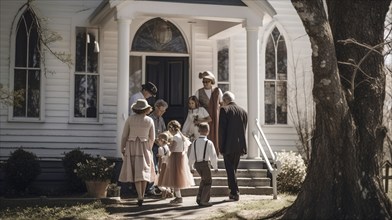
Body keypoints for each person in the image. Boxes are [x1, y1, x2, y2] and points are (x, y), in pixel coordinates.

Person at [118, 99, 156, 206]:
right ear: (146, 109)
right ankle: (141, 195)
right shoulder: (149, 120)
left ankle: (140, 195)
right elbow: (152, 137)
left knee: (136, 170)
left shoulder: (130, 119)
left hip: (132, 146)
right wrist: (149, 148)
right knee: (144, 170)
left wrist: (122, 147)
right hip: (145, 146)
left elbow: (125, 135)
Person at [218, 91, 247, 201]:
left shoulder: (224, 110)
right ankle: (233, 191)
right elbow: (244, 129)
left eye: (222, 102)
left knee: (230, 169)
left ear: (225, 100)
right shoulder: (243, 112)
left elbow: (222, 131)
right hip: (240, 145)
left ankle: (235, 192)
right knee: (233, 169)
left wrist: (220, 146)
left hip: (228, 145)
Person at [161, 120, 195, 204]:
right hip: (180, 156)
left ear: (171, 128)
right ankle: (178, 196)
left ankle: (179, 197)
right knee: (176, 177)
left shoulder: (176, 137)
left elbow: (172, 149)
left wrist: (166, 144)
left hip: (175, 157)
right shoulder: (181, 136)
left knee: (175, 178)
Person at [188, 122, 218, 207]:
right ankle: (204, 200)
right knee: (208, 182)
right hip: (205, 164)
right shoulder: (209, 142)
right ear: (208, 131)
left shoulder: (195, 142)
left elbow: (192, 155)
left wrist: (191, 166)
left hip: (197, 164)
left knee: (204, 180)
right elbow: (213, 156)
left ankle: (199, 198)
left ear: (198, 131)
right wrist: (215, 166)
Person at [195, 71, 223, 155]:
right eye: (203, 81)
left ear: (211, 82)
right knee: (204, 136)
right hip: (204, 118)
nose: (205, 83)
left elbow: (221, 104)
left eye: (207, 81)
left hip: (215, 117)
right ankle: (204, 156)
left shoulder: (217, 91)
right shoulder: (198, 92)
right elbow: (195, 106)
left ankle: (214, 155)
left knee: (215, 135)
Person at [155, 131, 174, 199]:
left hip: (163, 165)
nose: (158, 142)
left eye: (158, 140)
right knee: (166, 180)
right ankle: (166, 193)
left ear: (161, 140)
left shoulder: (160, 148)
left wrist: (159, 168)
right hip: (168, 165)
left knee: (159, 182)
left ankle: (166, 191)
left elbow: (160, 159)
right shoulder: (167, 147)